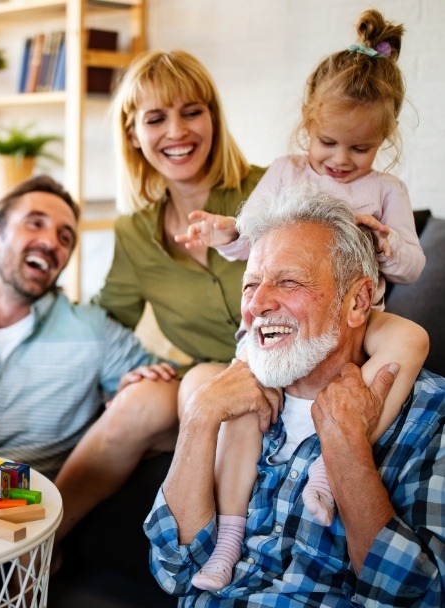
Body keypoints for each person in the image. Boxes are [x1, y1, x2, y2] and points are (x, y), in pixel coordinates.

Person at [175, 9, 429, 590]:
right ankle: (230, 539)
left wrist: (385, 242)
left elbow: (413, 266)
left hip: (359, 319)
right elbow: (249, 233)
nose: (340, 160)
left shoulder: (387, 190)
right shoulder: (288, 173)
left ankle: (331, 461)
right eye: (328, 142)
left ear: (383, 142)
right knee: (244, 411)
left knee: (410, 338)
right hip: (283, 331)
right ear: (305, 128)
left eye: (360, 149)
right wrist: (223, 233)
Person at [144, 184, 445, 607]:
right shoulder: (234, 398)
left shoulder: (431, 416)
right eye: (250, 286)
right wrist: (199, 418)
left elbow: (419, 597)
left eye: (288, 282)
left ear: (358, 301)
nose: (258, 305)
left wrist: (347, 450)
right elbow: (174, 568)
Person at [51, 49, 267, 542]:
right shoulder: (135, 232)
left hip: (281, 376)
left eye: (191, 111)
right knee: (136, 400)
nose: (177, 132)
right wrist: (2, 296)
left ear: (212, 116)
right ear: (133, 134)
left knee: (203, 394)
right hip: (204, 385)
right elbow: (103, 319)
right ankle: (38, 550)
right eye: (156, 118)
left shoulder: (271, 190)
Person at [0, 174, 175, 481]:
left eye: (65, 237)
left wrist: (140, 387)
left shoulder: (93, 329)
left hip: (35, 515)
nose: (51, 242)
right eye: (35, 223)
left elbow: (170, 403)